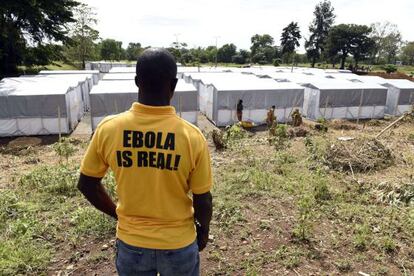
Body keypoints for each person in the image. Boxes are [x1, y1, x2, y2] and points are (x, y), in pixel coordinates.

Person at [77, 48, 213, 276]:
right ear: (174, 85)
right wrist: (204, 229)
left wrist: (118, 215)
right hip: (178, 243)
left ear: (137, 82)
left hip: (131, 244)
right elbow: (203, 199)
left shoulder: (109, 129)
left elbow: (87, 184)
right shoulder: (191, 136)